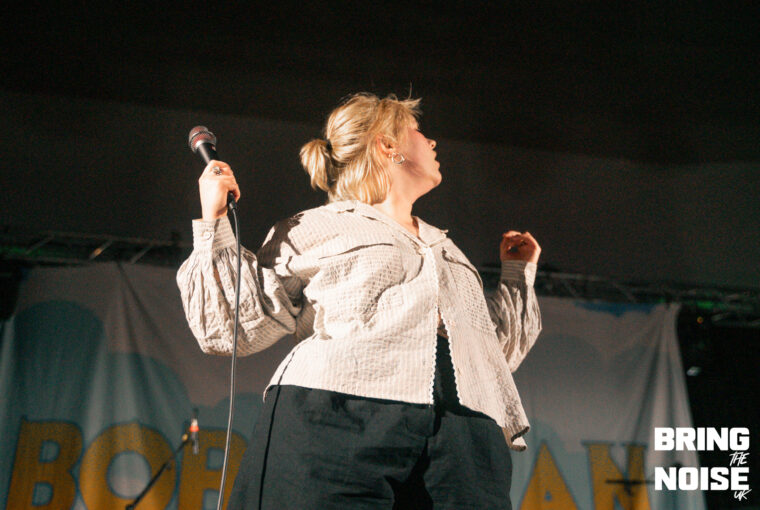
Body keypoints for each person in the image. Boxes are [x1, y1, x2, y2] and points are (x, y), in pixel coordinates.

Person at [177, 92, 542, 509]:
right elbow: (235, 326)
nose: (432, 142)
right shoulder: (315, 227)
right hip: (336, 412)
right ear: (387, 145)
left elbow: (495, 355)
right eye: (419, 132)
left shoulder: (447, 248)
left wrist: (518, 273)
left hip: (464, 431)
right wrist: (214, 221)